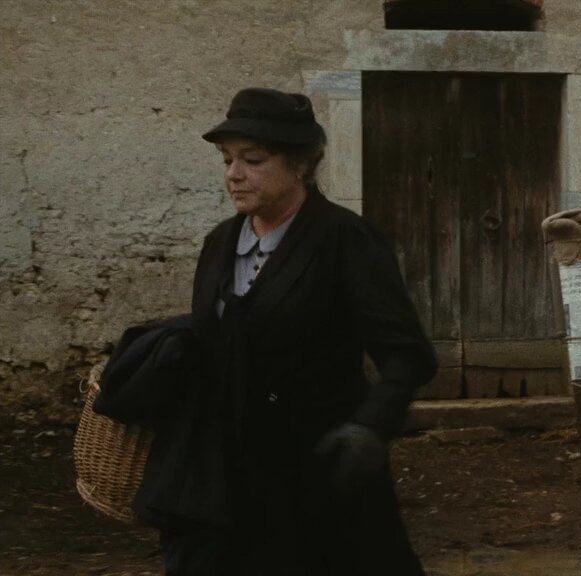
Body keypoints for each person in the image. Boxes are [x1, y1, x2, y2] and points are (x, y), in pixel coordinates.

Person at [146, 87, 437, 575]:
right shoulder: (219, 243)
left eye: (253, 160)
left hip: (320, 473)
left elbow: (407, 354)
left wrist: (369, 426)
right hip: (225, 480)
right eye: (227, 160)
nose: (234, 174)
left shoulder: (345, 239)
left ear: (299, 164)